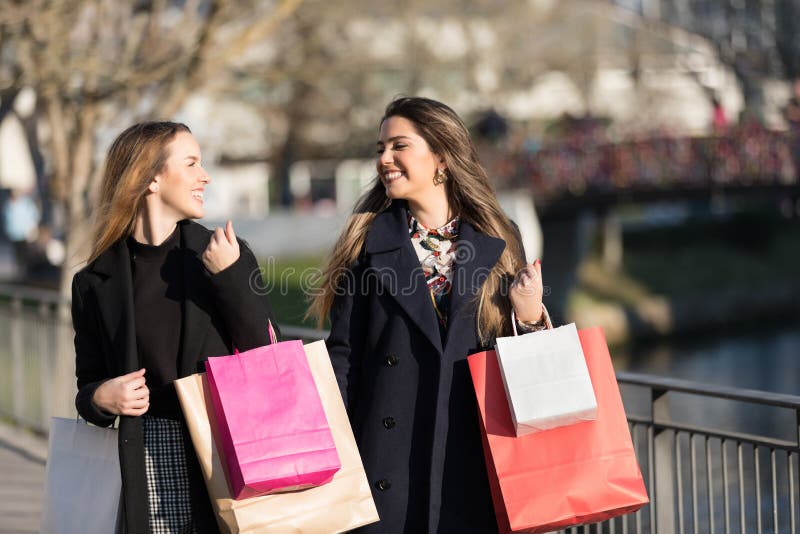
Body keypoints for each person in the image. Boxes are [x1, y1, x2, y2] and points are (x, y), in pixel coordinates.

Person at [309, 97, 551, 533]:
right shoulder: (364, 242)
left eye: (398, 146)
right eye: (380, 148)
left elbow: (523, 365)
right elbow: (343, 359)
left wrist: (530, 313)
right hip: (385, 466)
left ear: (441, 156)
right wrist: (328, 466)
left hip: (473, 463)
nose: (384, 159)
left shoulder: (498, 237)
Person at [72, 122, 278, 534]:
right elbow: (87, 387)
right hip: (145, 458)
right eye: (191, 163)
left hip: (227, 453)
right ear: (149, 178)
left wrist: (230, 277)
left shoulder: (223, 256)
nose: (205, 176)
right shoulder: (94, 281)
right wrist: (101, 397)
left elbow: (268, 360)